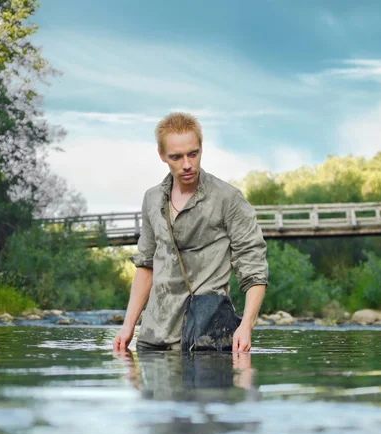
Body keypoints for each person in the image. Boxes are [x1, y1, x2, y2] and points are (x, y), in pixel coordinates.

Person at [113, 112, 268, 352]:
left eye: (193, 154)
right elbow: (146, 266)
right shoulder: (152, 199)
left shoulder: (228, 198)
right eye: (176, 157)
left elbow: (254, 268)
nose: (187, 164)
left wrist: (246, 326)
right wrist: (128, 325)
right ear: (162, 155)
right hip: (153, 338)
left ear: (201, 149)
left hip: (205, 339)